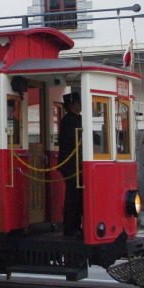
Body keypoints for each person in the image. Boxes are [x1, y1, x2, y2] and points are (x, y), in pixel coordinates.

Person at [58, 91, 83, 237]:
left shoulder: (77, 119)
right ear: (72, 105)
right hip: (70, 164)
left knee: (78, 196)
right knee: (72, 196)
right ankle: (70, 228)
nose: (80, 105)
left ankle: (76, 226)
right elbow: (72, 140)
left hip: (76, 163)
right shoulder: (68, 121)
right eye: (78, 103)